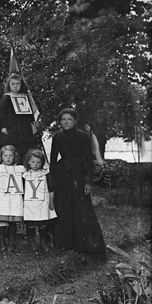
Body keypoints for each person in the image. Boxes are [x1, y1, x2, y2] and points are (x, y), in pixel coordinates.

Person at [50, 108, 105, 254]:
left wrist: (88, 181)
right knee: (63, 207)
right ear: (60, 122)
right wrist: (51, 178)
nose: (66, 122)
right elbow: (53, 159)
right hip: (62, 174)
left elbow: (89, 160)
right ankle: (64, 242)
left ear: (75, 121)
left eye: (69, 119)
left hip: (78, 173)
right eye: (63, 119)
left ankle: (85, 244)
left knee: (81, 208)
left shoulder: (83, 136)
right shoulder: (57, 136)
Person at [0, 145, 25, 251]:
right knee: (2, 220)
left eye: (11, 155)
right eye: (5, 155)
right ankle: (1, 242)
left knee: (12, 221)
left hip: (14, 197)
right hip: (1, 197)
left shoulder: (20, 169)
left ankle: (11, 243)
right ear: (1, 157)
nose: (8, 158)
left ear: (15, 157)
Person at [23, 149, 56, 251]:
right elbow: (22, 190)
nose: (35, 164)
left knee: (43, 222)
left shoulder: (46, 175)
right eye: (33, 162)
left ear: (42, 163)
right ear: (28, 161)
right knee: (31, 222)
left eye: (38, 162)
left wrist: (51, 202)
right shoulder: (24, 175)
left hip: (42, 202)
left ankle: (43, 241)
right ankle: (31, 241)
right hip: (29, 203)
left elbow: (51, 189)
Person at [0, 72, 37, 159]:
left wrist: (33, 125)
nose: (15, 86)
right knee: (15, 150)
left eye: (18, 84)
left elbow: (30, 112)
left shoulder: (25, 97)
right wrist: (3, 126)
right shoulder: (7, 97)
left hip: (25, 127)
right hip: (12, 128)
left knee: (26, 149)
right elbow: (2, 113)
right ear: (9, 85)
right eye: (13, 84)